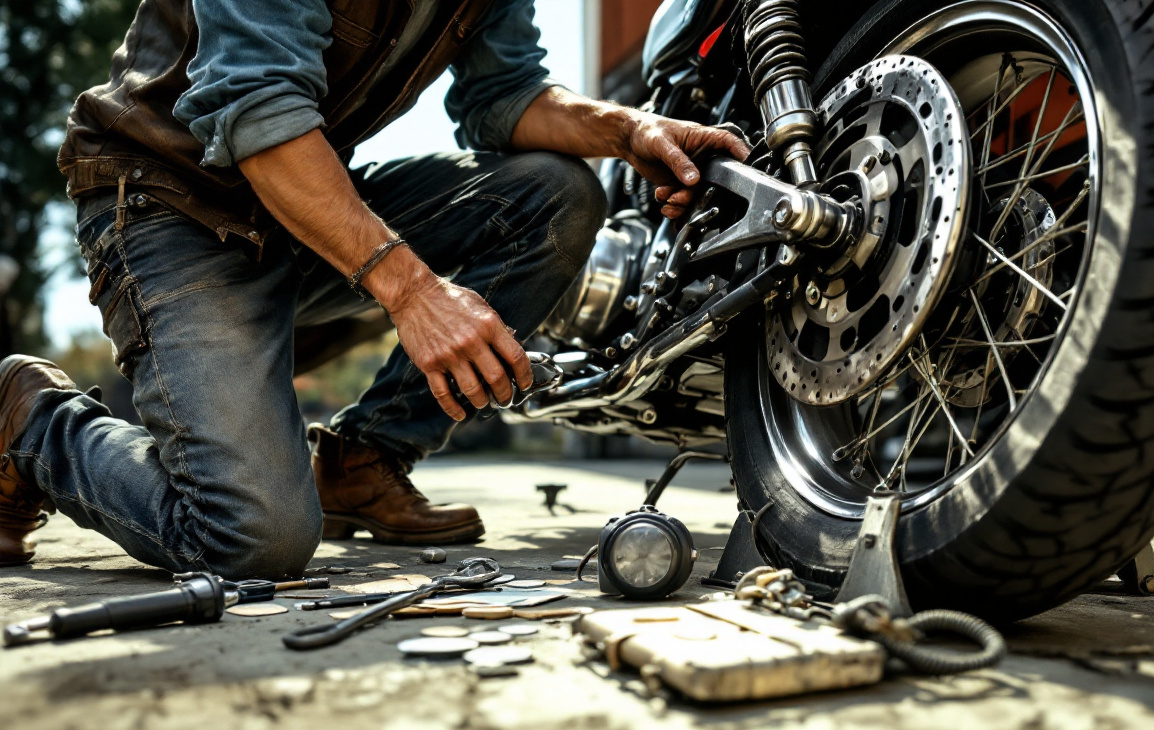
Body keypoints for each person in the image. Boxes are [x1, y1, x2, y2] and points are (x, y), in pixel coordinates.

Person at [0, 0, 747, 578]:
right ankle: (33, 418)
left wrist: (629, 129)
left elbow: (505, 95)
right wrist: (414, 292)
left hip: (298, 207)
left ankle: (364, 457)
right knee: (249, 537)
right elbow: (256, 106)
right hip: (169, 207)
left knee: (555, 195)